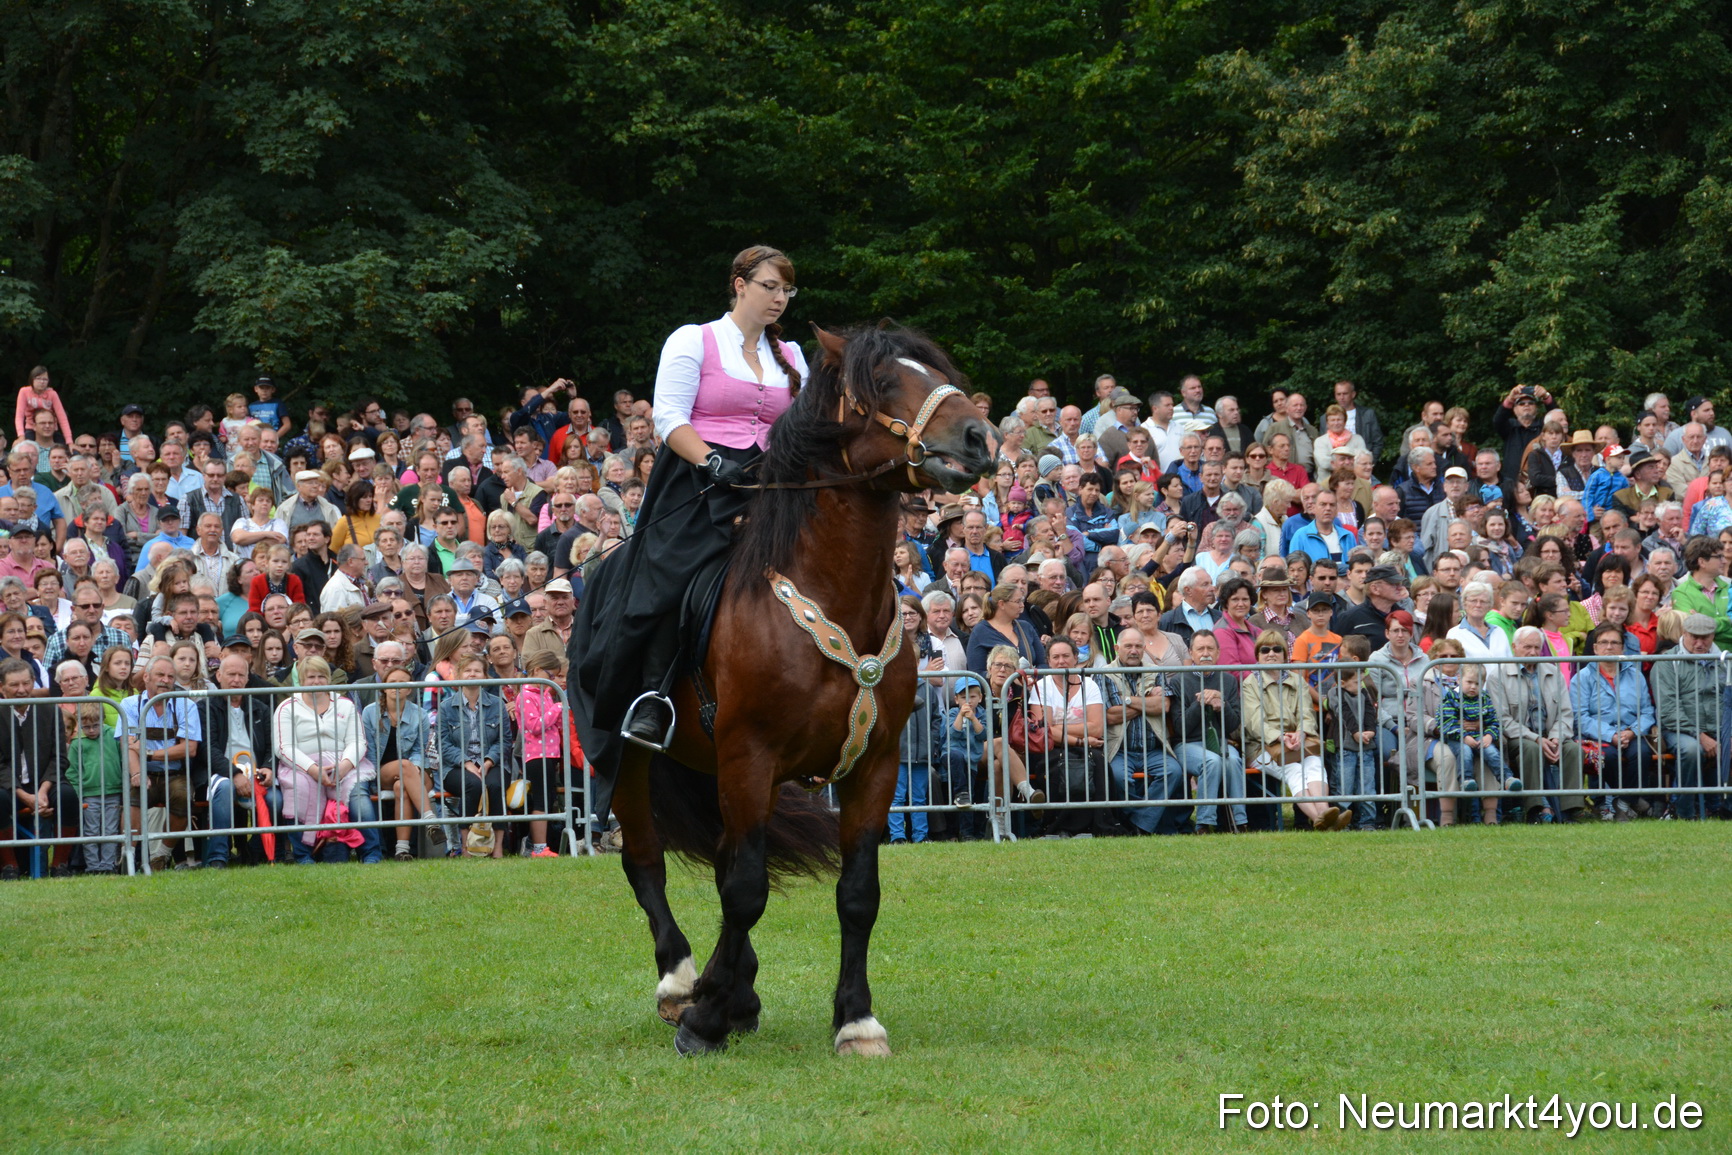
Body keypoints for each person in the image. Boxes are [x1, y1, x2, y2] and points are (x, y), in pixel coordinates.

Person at [570, 246, 810, 756]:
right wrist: (712, 462)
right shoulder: (693, 340)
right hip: (700, 481)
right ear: (739, 284)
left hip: (774, 485)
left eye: (787, 290)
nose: (779, 298)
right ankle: (655, 699)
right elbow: (670, 419)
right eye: (770, 286)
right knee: (666, 581)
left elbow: (806, 429)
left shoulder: (792, 357)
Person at [273, 655, 377, 863]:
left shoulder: (345, 705)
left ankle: (372, 853)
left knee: (358, 798)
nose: (316, 681)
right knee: (298, 790)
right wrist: (313, 769)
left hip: (345, 764)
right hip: (302, 766)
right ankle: (303, 855)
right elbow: (284, 747)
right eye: (311, 677)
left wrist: (344, 767)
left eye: (321, 676)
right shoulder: (287, 707)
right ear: (301, 680)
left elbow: (358, 742)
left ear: (329, 679)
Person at [1241, 629, 1347, 830]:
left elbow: (1307, 714)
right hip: (1263, 746)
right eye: (1265, 650)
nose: (1271, 654)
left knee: (1314, 762)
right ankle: (1324, 819)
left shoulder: (1298, 681)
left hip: (1298, 742)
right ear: (1257, 656)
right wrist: (1280, 737)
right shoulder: (1250, 683)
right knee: (1294, 769)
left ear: (1284, 654)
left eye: (1277, 649)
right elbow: (1254, 723)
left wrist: (1301, 733)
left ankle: (1323, 815)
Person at [1570, 622, 1658, 822]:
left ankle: (1623, 802)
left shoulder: (1635, 675)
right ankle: (1633, 800)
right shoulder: (1582, 678)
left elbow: (1647, 711)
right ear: (1595, 648)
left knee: (1642, 753)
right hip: (1597, 735)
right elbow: (1580, 717)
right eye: (1603, 642)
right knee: (1607, 756)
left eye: (1614, 642)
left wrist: (1632, 732)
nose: (1609, 647)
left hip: (1630, 732)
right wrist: (1611, 735)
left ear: (1622, 647)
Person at [438, 653, 512, 857]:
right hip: (456, 767)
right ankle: (466, 845)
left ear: (485, 676)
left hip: (493, 762)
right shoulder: (446, 707)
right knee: (472, 784)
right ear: (458, 674)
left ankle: (497, 846)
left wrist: (489, 761)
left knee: (495, 785)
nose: (472, 674)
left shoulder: (497, 704)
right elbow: (442, 743)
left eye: (477, 670)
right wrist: (467, 763)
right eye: (467, 670)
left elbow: (504, 740)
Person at [1652, 613, 1723, 821]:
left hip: (1718, 727)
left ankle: (1722, 807)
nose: (1700, 643)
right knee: (1691, 749)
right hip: (1678, 729)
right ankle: (1681, 811)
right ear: (1683, 634)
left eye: (1706, 638)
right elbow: (1668, 709)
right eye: (1694, 637)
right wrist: (1700, 735)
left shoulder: (1724, 661)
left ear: (1713, 636)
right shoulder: (1667, 662)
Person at [362, 667, 434, 861]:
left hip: (416, 771)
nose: (397, 687)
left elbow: (420, 750)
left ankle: (402, 850)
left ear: (409, 689)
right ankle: (431, 819)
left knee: (401, 785)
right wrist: (409, 768)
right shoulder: (370, 713)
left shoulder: (420, 714)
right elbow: (369, 754)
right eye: (392, 683)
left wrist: (415, 768)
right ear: (384, 687)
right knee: (404, 765)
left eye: (403, 684)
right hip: (383, 771)